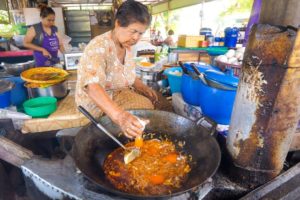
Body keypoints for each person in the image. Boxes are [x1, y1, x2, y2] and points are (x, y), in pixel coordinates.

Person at [75, 0, 171, 139]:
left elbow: (128, 75)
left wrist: (143, 88)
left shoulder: (127, 45)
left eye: (140, 33)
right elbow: (91, 86)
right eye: (133, 31)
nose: (136, 38)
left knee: (161, 103)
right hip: (97, 103)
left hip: (120, 92)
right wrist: (120, 117)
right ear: (118, 23)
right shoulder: (98, 46)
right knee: (143, 111)